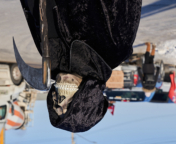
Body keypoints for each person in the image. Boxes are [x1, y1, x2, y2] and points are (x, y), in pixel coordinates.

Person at [19, 0, 142, 132]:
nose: (59, 103)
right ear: (86, 102)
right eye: (67, 107)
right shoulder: (115, 51)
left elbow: (34, 12)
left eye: (57, 108)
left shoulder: (51, 57)